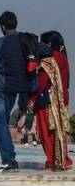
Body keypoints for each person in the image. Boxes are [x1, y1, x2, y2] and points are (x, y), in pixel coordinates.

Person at [0, 11, 29, 173]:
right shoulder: (23, 42)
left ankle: (9, 159)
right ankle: (10, 157)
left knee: (0, 123)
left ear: (2, 26)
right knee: (4, 122)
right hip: (14, 89)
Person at [26, 31, 71, 170]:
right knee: (59, 132)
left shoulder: (49, 59)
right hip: (61, 100)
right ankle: (63, 160)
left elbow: (42, 82)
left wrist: (31, 100)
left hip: (47, 101)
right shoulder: (63, 57)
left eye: (43, 43)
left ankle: (52, 161)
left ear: (48, 44)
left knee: (47, 132)